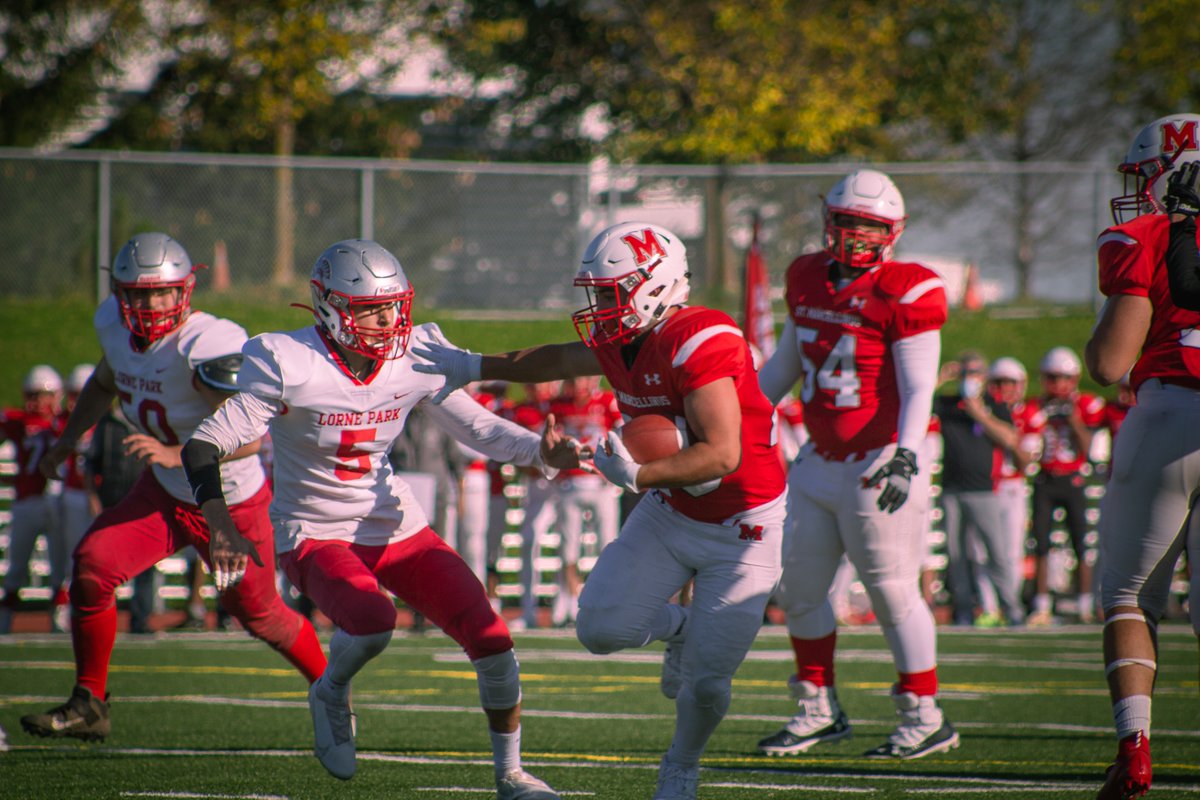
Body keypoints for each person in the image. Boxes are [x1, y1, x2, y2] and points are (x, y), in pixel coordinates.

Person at [181, 238, 572, 798]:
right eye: (369, 308)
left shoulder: (416, 352)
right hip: (314, 530)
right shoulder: (287, 359)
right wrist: (221, 524)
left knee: (493, 637)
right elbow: (204, 444)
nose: (386, 319)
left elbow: (478, 427)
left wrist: (541, 453)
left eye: (392, 304)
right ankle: (330, 689)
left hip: (393, 524)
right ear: (329, 307)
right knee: (372, 623)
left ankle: (511, 775)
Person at [411, 221, 788, 800]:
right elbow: (557, 357)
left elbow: (721, 453)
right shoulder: (624, 336)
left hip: (744, 526)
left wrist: (635, 474)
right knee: (600, 629)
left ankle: (681, 764)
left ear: (656, 286)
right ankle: (683, 627)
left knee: (708, 686)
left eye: (611, 292)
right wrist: (471, 364)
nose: (599, 306)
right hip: (671, 510)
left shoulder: (703, 336)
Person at [21, 232, 327, 742]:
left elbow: (254, 437)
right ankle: (89, 703)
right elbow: (104, 382)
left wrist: (173, 452)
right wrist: (68, 440)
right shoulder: (116, 331)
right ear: (120, 294)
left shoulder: (206, 345)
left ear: (185, 290)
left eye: (161, 292)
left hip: (226, 504)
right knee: (93, 566)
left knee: (261, 615)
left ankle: (331, 689)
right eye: (138, 294)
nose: (150, 304)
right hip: (163, 494)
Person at [753, 169, 958, 760]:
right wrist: (738, 420)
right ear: (827, 222)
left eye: (869, 227)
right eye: (846, 222)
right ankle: (817, 708)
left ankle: (925, 714)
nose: (854, 236)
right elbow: (781, 367)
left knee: (893, 591)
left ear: (892, 232)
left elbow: (920, 387)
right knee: (801, 589)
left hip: (879, 460)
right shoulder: (808, 277)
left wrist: (906, 456)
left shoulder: (907, 289)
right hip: (818, 458)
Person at [1084, 112, 1200, 800]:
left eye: (1152, 175)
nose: (1143, 190)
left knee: (1129, 596)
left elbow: (1106, 364)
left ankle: (1135, 751)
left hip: (1165, 415)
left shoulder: (1147, 235)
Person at [934, 351, 1025, 628]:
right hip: (952, 488)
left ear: (984, 377)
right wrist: (941, 377)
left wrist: (980, 415)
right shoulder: (949, 404)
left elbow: (1010, 438)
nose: (969, 379)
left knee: (997, 553)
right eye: (965, 373)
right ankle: (963, 610)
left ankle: (1012, 608)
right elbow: (916, 402)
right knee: (957, 555)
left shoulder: (994, 406)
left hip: (985, 490)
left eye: (974, 373)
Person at [1024, 346, 1104, 625]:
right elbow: (1030, 447)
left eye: (1062, 377)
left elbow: (1088, 448)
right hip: (1045, 479)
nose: (1057, 384)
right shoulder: (1034, 407)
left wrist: (1073, 421)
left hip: (1074, 479)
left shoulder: (1086, 404)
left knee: (1081, 543)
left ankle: (1084, 603)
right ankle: (1042, 604)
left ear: (1073, 378)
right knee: (1041, 543)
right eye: (1052, 377)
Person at [548, 376, 622, 626]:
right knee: (568, 548)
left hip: (601, 484)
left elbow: (623, 435)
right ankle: (571, 603)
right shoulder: (559, 405)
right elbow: (549, 441)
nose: (580, 383)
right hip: (571, 483)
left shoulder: (608, 402)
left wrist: (615, 471)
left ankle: (607, 602)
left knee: (608, 545)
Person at [0, 365, 64, 634]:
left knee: (61, 565)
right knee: (17, 565)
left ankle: (59, 617)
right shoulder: (20, 421)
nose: (39, 401)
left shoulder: (64, 422)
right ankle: (6, 618)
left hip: (55, 502)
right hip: (28, 501)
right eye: (34, 394)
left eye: (45, 394)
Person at [83, 403, 158, 633]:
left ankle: (140, 618)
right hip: (113, 500)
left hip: (145, 502)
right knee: (105, 562)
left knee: (146, 562)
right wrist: (93, 497)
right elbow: (91, 463)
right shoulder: (107, 424)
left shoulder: (150, 420)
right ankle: (103, 617)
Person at [53, 363, 98, 632]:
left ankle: (93, 607)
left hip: (98, 497)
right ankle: (65, 606)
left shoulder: (107, 421)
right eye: (74, 394)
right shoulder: (61, 422)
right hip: (71, 494)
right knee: (73, 556)